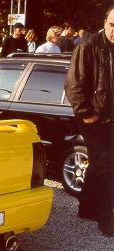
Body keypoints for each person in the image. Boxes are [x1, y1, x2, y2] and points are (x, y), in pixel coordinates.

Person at [64, 5, 114, 237]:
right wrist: (86, 113)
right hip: (92, 117)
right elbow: (73, 85)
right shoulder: (87, 46)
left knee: (99, 163)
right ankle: (106, 220)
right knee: (106, 165)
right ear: (105, 21)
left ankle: (86, 208)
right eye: (112, 24)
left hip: (109, 116)